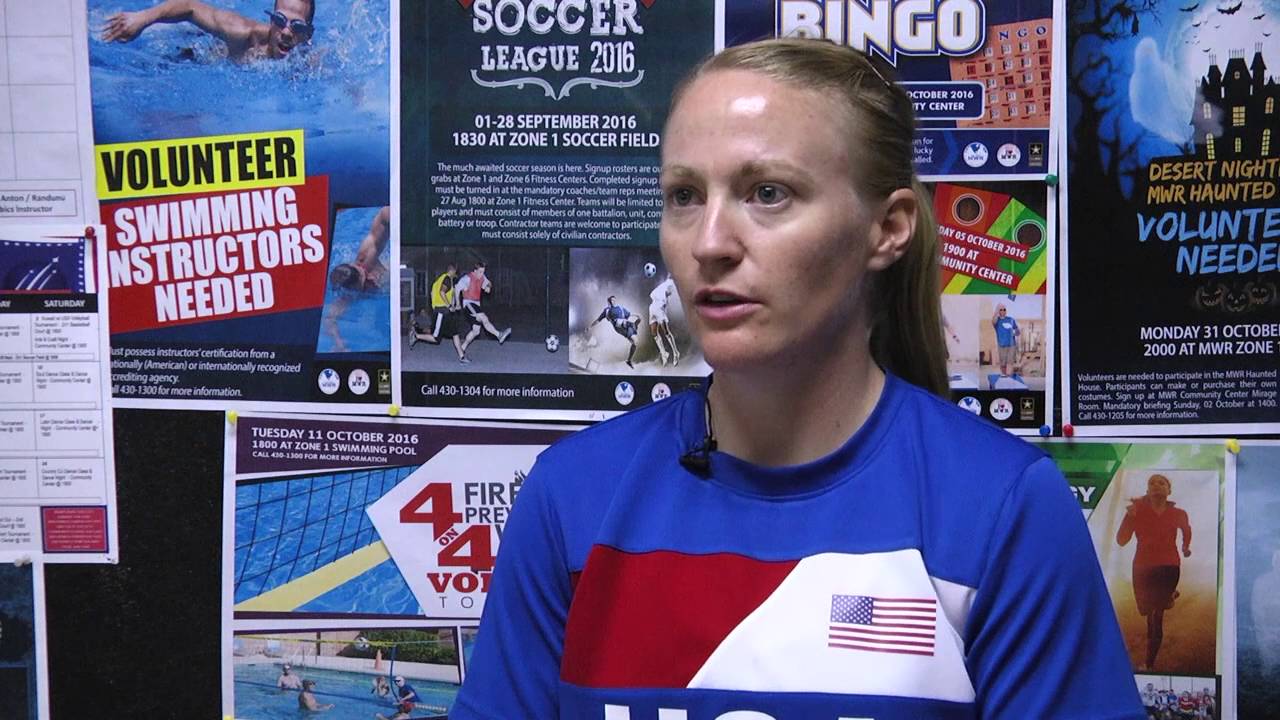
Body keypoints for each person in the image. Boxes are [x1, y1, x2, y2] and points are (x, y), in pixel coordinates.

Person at [451, 39, 1143, 719]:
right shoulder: (572, 496)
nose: (709, 243)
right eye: (684, 195)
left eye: (768, 193)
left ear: (887, 228)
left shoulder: (1003, 508)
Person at [1116, 473, 1193, 671]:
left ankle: (1149, 664)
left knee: (1154, 616)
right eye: (1152, 483)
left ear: (1169, 490)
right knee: (1144, 610)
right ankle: (1169, 597)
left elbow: (1186, 530)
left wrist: (1185, 547)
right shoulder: (1137, 510)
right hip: (1142, 568)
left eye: (1161, 483)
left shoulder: (1179, 513)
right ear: (1147, 490)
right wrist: (1129, 517)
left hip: (1168, 567)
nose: (1156, 485)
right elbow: (1121, 541)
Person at [102, 0, 315, 61]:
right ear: (271, 20)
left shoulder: (309, 63)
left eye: (297, 26)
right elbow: (190, 8)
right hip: (202, 55)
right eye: (279, 19)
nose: (286, 32)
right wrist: (142, 18)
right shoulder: (243, 33)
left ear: (308, 34)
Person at [324, 206, 391, 352]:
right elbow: (329, 319)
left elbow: (384, 213)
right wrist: (339, 344)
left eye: (365, 276)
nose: (370, 279)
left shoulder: (365, 257)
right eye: (364, 286)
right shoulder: (348, 297)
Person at [455, 261, 512, 357]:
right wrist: (457, 303)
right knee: (484, 318)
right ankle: (499, 335)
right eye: (480, 272)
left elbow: (489, 283)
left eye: (483, 272)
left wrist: (488, 287)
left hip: (476, 305)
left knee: (476, 331)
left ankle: (462, 348)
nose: (482, 274)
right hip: (469, 304)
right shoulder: (467, 278)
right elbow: (457, 288)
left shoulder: (482, 277)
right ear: (475, 271)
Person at [590, 295, 641, 368]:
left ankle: (629, 360)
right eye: (611, 300)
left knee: (635, 342)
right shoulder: (607, 310)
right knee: (623, 323)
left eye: (614, 300)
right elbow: (598, 320)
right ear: (609, 302)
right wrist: (590, 327)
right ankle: (633, 325)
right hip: (619, 326)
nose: (613, 302)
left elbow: (629, 314)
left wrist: (636, 315)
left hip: (626, 325)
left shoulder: (620, 308)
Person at [648, 273, 682, 366]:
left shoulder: (672, 284)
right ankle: (664, 354)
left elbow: (670, 292)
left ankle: (676, 353)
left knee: (666, 331)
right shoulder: (665, 283)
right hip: (652, 306)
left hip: (660, 307)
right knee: (654, 333)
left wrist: (664, 304)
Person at [991, 303, 1021, 375]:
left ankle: (1009, 376)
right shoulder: (997, 321)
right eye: (1001, 310)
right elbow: (993, 321)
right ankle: (1004, 376)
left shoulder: (1011, 319)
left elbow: (1018, 332)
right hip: (1001, 345)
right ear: (998, 311)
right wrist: (997, 310)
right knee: (1003, 363)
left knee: (1010, 362)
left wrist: (1016, 332)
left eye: (1004, 309)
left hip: (1012, 345)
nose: (1003, 311)